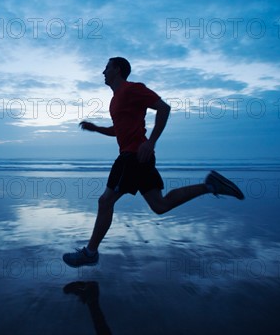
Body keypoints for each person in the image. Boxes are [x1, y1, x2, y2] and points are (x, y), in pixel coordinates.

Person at [63, 57, 244, 268]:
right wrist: (96, 129)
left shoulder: (132, 89)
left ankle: (90, 253)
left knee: (105, 201)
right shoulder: (115, 100)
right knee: (160, 205)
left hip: (132, 156)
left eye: (106, 68)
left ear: (117, 69)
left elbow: (164, 108)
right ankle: (210, 185)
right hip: (138, 157)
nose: (103, 72)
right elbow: (118, 130)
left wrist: (151, 142)